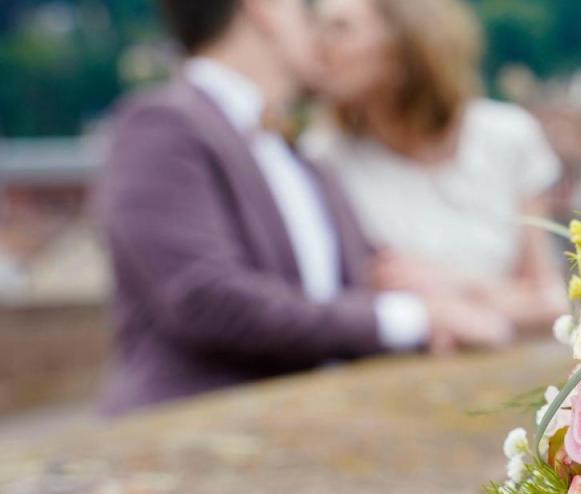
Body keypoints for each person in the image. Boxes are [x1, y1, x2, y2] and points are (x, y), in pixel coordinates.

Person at [96, 0, 506, 415]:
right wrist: (412, 318)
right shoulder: (162, 124)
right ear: (266, 9)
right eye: (309, 14)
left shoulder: (301, 155)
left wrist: (428, 292)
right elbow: (207, 298)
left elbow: (362, 282)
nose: (322, 36)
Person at [306, 0, 568, 334]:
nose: (317, 44)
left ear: (404, 44)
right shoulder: (324, 158)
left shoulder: (508, 137)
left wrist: (457, 287)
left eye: (340, 28)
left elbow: (552, 303)